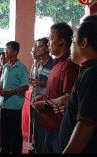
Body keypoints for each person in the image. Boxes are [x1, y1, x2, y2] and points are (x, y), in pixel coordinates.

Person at [32, 22, 79, 154]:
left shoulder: (68, 64)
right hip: (49, 124)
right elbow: (55, 91)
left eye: (51, 39)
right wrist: (43, 97)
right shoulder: (57, 63)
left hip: (59, 126)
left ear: (62, 42)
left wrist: (45, 103)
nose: (48, 43)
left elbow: (68, 97)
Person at [59, 21, 97, 154]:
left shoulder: (92, 74)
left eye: (73, 40)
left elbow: (86, 124)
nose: (70, 46)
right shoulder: (87, 70)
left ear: (84, 42)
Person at [0, 41, 29, 154]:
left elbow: (25, 86)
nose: (6, 52)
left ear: (15, 52)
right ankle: (4, 151)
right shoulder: (5, 66)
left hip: (14, 106)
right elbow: (2, 83)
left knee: (15, 134)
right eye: (5, 49)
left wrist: (11, 92)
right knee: (4, 132)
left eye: (8, 50)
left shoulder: (21, 68)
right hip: (3, 104)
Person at [31, 37, 54, 154]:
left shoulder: (53, 64)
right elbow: (38, 83)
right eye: (37, 46)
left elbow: (54, 85)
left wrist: (41, 83)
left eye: (40, 46)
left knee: (46, 135)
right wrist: (35, 82)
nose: (37, 49)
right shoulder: (39, 64)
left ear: (47, 48)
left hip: (46, 103)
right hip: (36, 101)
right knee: (37, 133)